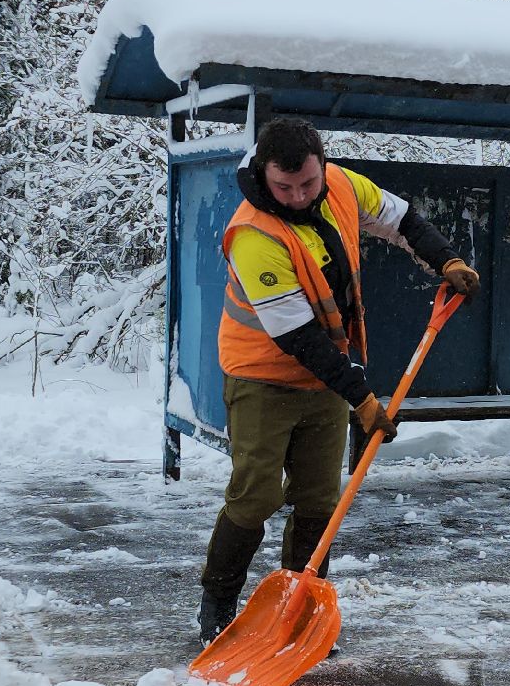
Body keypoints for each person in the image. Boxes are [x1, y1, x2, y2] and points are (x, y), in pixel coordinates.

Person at [198, 117, 480, 645]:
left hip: (327, 374)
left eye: (309, 183)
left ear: (323, 166)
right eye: (285, 187)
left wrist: (446, 258)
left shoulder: (343, 186)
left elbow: (400, 218)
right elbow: (299, 338)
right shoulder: (254, 235)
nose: (299, 196)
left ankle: (298, 608)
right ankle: (217, 604)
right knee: (256, 495)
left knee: (319, 501)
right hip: (262, 373)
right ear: (264, 175)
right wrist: (363, 399)